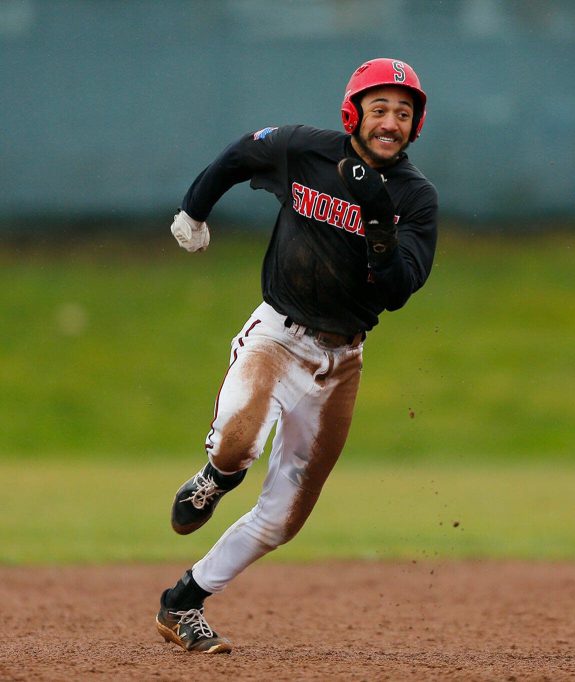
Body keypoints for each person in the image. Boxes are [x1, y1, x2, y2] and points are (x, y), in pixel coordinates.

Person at [155, 58, 438, 653]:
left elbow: (398, 291)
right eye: (380, 108)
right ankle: (214, 477)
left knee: (284, 517)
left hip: (342, 362)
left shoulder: (415, 198)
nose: (391, 122)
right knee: (238, 446)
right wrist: (193, 209)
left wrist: (380, 223)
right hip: (277, 335)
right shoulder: (303, 150)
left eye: (403, 113)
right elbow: (240, 154)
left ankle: (183, 602)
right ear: (353, 113)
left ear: (415, 127)